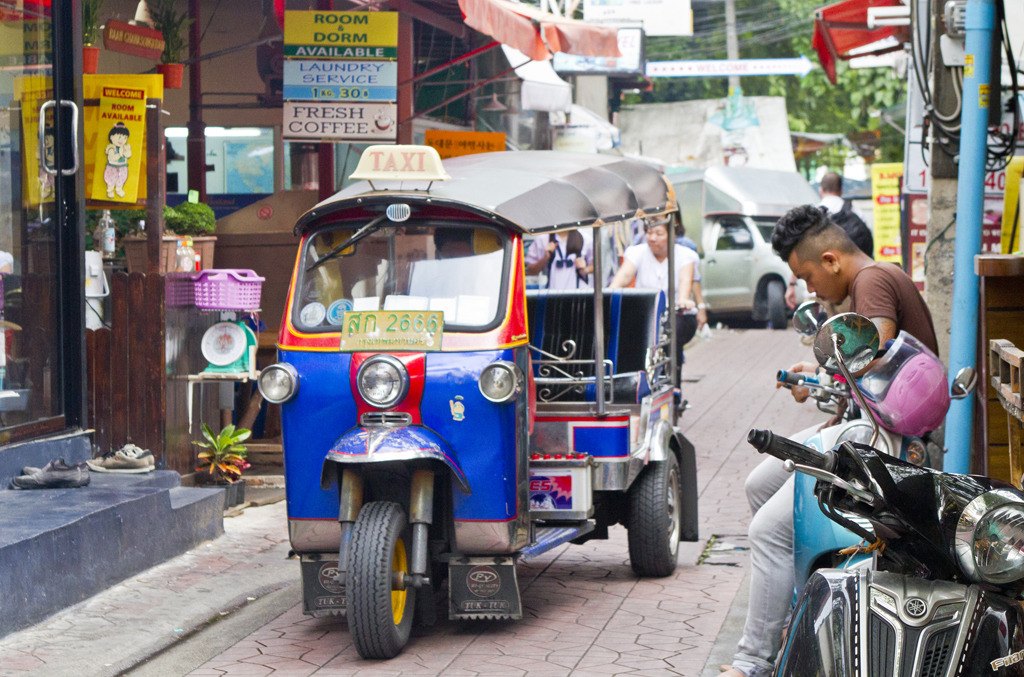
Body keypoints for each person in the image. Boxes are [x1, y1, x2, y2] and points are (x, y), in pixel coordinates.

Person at [721, 204, 938, 677]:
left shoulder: (872, 281)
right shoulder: (871, 280)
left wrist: (830, 368)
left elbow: (869, 352)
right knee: (760, 485)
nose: (811, 290)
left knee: (768, 532)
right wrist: (820, 375)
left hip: (883, 441)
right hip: (863, 428)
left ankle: (751, 662)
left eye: (807, 278)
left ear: (831, 260)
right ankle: (791, 615)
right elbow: (862, 366)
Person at [608, 218, 706, 371]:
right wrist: (610, 291)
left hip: (676, 314)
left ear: (672, 236)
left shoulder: (686, 255)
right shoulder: (637, 252)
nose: (652, 238)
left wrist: (683, 300)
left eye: (659, 234)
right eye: (649, 233)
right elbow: (624, 276)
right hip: (645, 314)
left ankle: (673, 378)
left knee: (672, 332)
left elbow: (685, 281)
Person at [785, 172, 873, 309]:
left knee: (819, 323)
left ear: (821, 190)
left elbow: (800, 255)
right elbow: (865, 246)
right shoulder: (856, 211)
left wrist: (792, 285)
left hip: (817, 292)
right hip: (848, 289)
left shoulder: (813, 214)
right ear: (841, 190)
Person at [525, 229, 593, 289]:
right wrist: (545, 258)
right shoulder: (543, 239)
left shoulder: (585, 238)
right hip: (552, 294)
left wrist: (585, 269)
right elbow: (530, 271)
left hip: (579, 294)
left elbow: (597, 266)